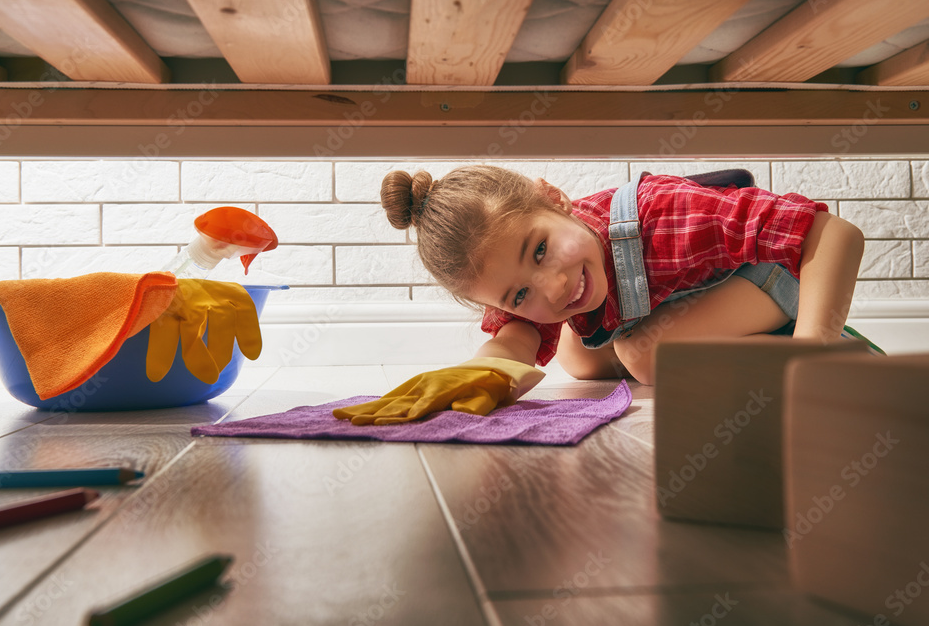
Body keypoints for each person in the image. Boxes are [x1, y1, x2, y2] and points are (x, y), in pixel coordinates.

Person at [332, 165, 867, 425]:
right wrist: (480, 373)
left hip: (781, 274)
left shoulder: (664, 214)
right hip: (692, 297)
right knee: (577, 353)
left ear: (553, 198)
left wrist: (813, 344)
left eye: (540, 250)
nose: (553, 287)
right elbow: (515, 340)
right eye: (519, 294)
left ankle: (827, 353)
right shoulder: (527, 281)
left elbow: (833, 233)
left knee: (642, 353)